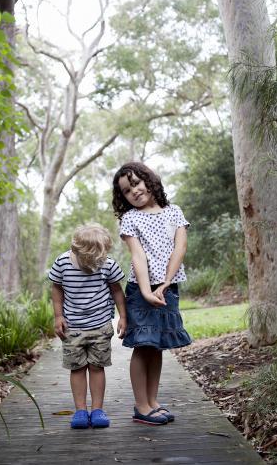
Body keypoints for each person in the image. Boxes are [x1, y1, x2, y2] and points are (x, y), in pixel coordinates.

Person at [112, 162, 191, 426]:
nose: (133, 191)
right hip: (141, 290)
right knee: (143, 345)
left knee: (156, 346)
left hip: (167, 288)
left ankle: (152, 401)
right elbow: (138, 257)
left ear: (149, 180)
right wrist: (146, 292)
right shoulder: (130, 219)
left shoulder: (175, 211)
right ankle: (141, 406)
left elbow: (180, 248)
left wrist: (166, 282)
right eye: (126, 190)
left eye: (136, 183)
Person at [49, 223, 127, 429]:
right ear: (77, 251)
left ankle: (97, 410)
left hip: (101, 326)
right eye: (92, 259)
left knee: (96, 367)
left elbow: (117, 291)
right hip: (72, 327)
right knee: (77, 368)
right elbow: (56, 290)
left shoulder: (108, 264)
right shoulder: (62, 263)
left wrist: (123, 316)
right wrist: (58, 317)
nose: (96, 263)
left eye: (100, 258)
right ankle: (81, 410)